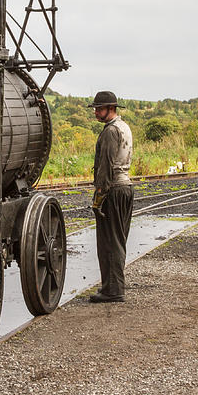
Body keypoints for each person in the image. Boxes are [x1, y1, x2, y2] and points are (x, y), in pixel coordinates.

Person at [88, 90, 134, 303]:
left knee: (109, 242)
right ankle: (113, 286)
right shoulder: (124, 127)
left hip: (113, 189)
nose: (96, 112)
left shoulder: (109, 132)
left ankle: (113, 290)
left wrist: (99, 195)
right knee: (119, 240)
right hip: (126, 187)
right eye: (96, 109)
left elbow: (105, 166)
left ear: (111, 109)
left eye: (99, 109)